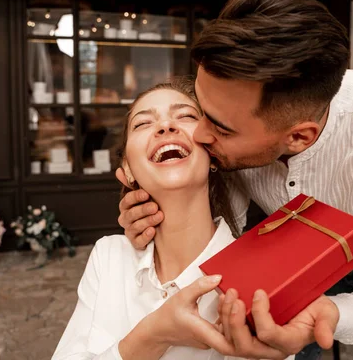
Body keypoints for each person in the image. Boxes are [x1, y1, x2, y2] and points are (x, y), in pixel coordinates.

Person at [116, 0, 353, 359]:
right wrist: (155, 218)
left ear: (298, 137)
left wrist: (329, 313)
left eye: (221, 128)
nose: (198, 134)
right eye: (199, 108)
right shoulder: (228, 115)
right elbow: (220, 230)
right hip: (286, 248)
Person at [52, 78, 296, 360]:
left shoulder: (258, 283)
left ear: (213, 154)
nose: (166, 127)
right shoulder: (108, 256)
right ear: (127, 170)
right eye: (143, 123)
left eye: (186, 116)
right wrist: (152, 335)